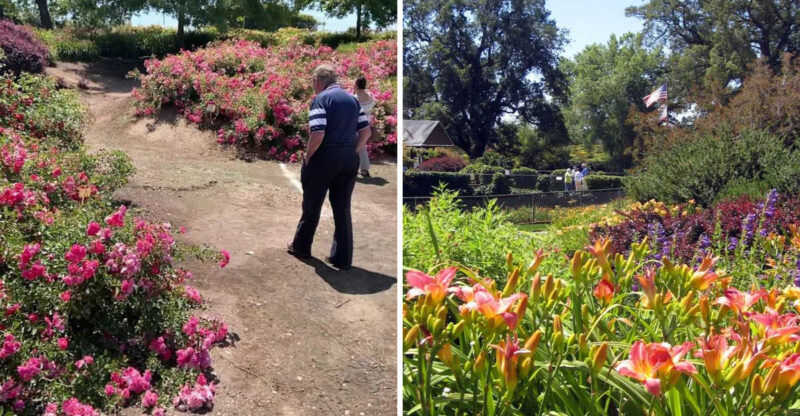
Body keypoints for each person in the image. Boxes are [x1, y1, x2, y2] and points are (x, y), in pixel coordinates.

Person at [287, 65, 372, 269]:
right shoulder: (352, 99)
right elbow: (366, 131)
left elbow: (317, 134)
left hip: (324, 156)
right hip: (348, 158)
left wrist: (308, 156)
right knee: (342, 208)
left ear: (318, 80)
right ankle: (342, 258)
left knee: (312, 203)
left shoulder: (321, 99)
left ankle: (302, 247)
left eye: (312, 81)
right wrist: (353, 151)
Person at [353, 76, 376, 177]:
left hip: (357, 122)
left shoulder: (354, 97)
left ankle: (361, 168)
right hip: (367, 122)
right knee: (362, 145)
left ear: (357, 85)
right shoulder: (370, 95)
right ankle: (364, 168)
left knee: (359, 146)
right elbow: (373, 105)